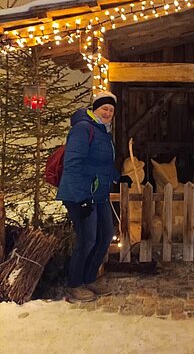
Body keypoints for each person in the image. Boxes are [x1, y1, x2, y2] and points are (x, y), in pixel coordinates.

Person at [56, 91, 132, 302]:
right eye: (104, 108)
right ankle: (74, 284)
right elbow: (73, 165)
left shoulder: (103, 132)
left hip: (98, 194)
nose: (108, 112)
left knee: (106, 235)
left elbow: (102, 164)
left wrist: (118, 178)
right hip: (79, 194)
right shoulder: (82, 129)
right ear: (94, 109)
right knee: (87, 239)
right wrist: (81, 199)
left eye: (111, 110)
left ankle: (89, 278)